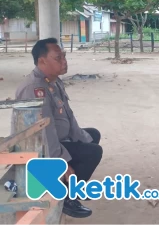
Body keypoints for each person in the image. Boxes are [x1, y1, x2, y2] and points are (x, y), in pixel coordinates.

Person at [15, 38, 102, 218]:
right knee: (93, 152)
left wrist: (83, 137)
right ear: (42, 61)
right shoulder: (35, 88)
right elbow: (43, 133)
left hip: (57, 139)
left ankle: (70, 185)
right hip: (39, 149)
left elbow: (68, 116)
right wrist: (61, 161)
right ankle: (66, 198)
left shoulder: (53, 81)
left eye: (64, 56)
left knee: (92, 136)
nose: (64, 61)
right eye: (58, 57)